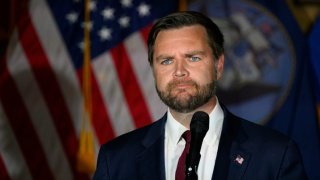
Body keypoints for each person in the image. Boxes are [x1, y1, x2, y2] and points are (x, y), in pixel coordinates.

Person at [93, 11, 307, 180]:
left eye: (193, 58)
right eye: (166, 61)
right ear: (153, 69)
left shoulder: (275, 155)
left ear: (219, 65)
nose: (179, 71)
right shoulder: (116, 160)